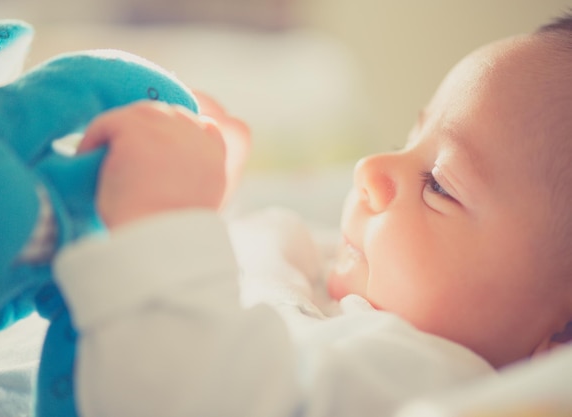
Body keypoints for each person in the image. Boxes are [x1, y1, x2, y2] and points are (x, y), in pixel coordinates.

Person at [52, 13, 572, 417]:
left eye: (438, 185)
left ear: (561, 339)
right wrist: (213, 198)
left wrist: (160, 224)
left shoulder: (420, 380)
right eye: (407, 140)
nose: (371, 166)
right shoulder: (338, 265)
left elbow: (190, 396)